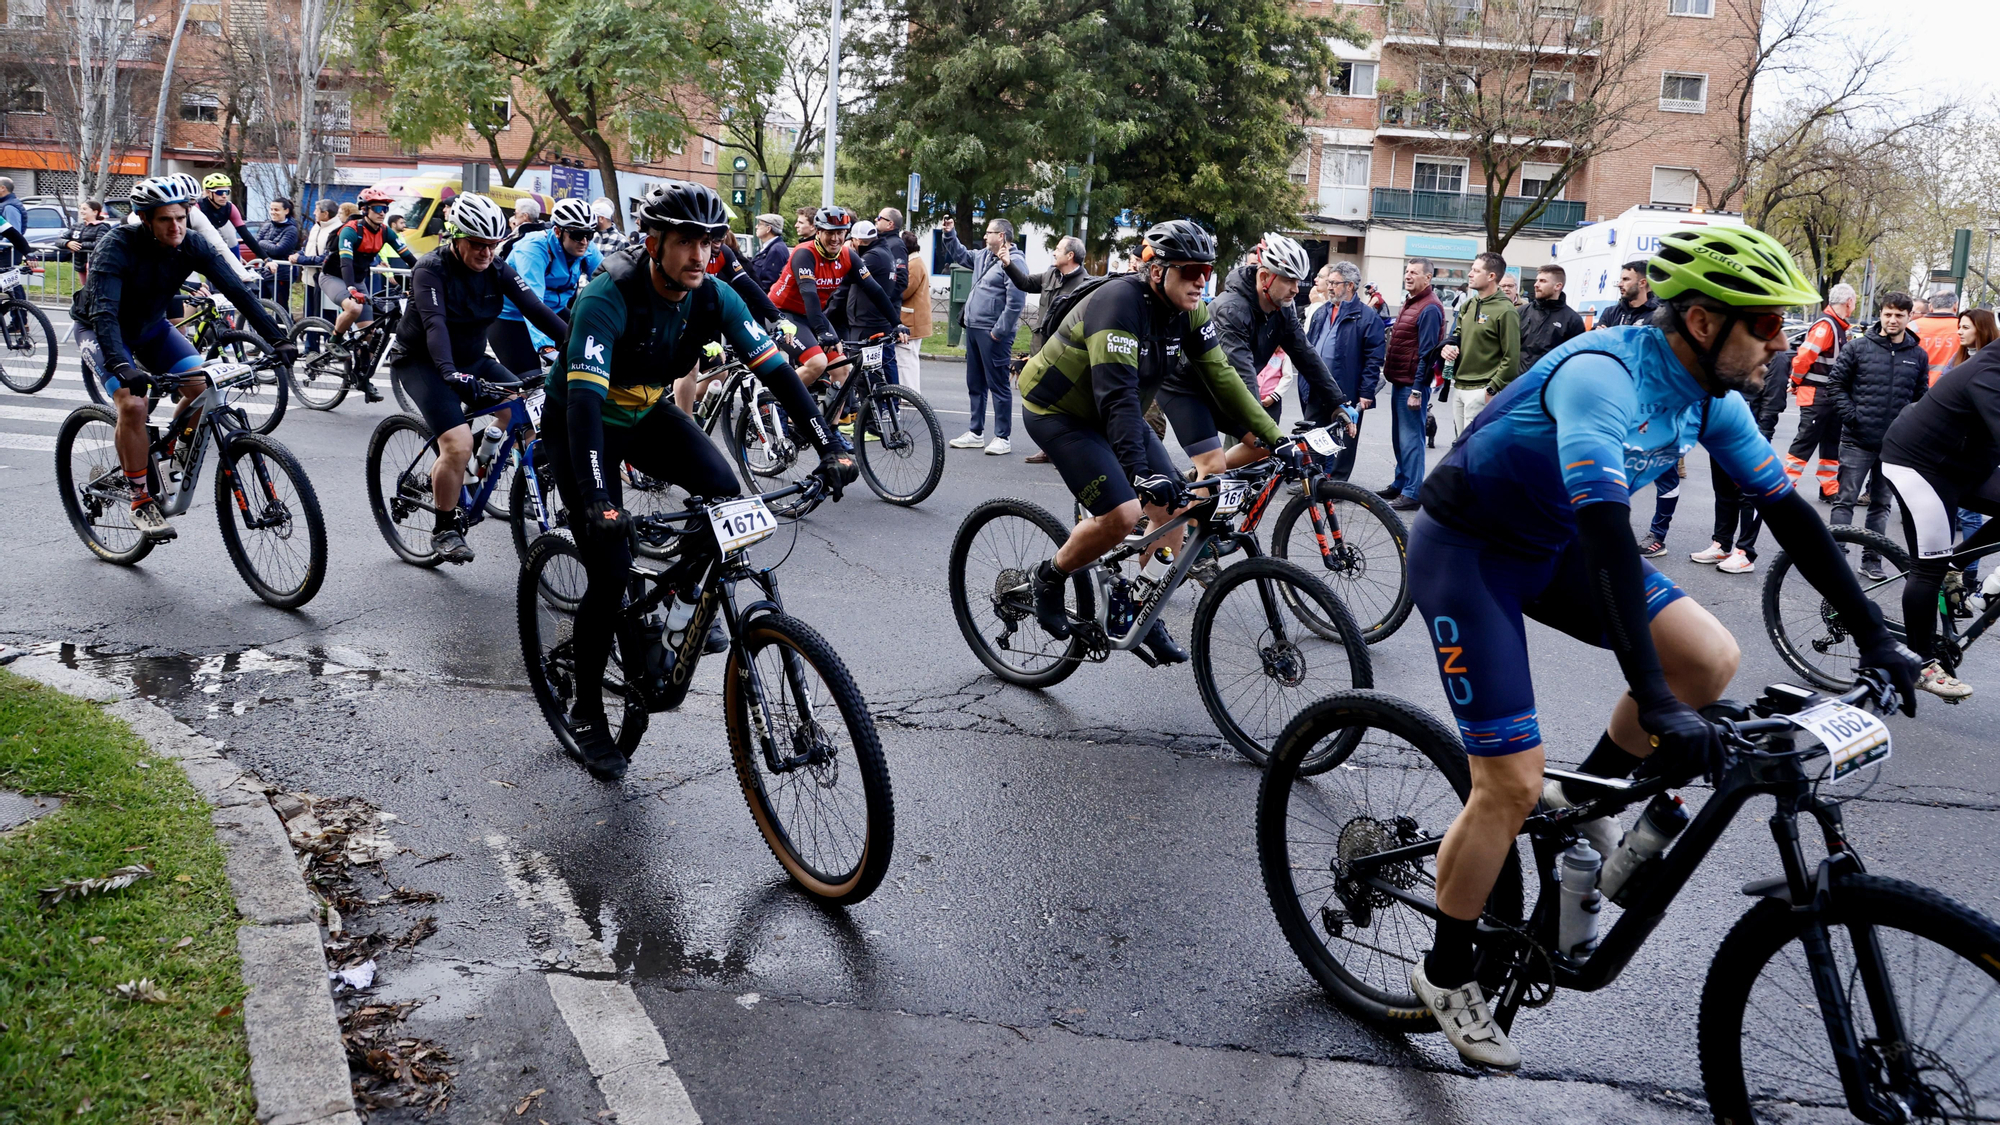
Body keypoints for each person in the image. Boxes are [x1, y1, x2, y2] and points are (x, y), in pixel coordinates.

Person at [1406, 223, 1919, 1070]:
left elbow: (1791, 515)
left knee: (1710, 659)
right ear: (1708, 321)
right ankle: (1447, 966)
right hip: (1470, 554)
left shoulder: (1712, 399)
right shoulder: (1603, 376)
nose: (1781, 343)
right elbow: (1609, 536)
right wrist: (1653, 702)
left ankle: (1592, 806)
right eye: (1765, 324)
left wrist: (1880, 637)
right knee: (1509, 781)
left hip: (1553, 545)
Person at [543, 181, 855, 779]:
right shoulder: (607, 297)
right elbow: (583, 410)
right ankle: (585, 707)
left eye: (708, 242)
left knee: (724, 491)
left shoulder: (714, 295)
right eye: (685, 241)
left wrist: (830, 445)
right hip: (581, 424)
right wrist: (600, 500)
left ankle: (684, 603)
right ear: (654, 242)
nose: (698, 254)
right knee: (609, 567)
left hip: (644, 413)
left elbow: (778, 372)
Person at [1016, 220, 1304, 664]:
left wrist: (1276, 439)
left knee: (1176, 510)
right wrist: (1143, 473)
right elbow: (1116, 400)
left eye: (1206, 270)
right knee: (1122, 514)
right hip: (1060, 412)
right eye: (1189, 270)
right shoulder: (1117, 305)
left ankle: (1137, 605)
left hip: (1113, 412)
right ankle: (1048, 578)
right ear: (1157, 271)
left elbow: (1223, 377)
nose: (1201, 280)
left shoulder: (1191, 311)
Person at [72, 176, 294, 541]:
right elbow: (105, 314)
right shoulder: (117, 246)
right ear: (145, 219)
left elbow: (238, 291)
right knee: (133, 405)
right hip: (101, 331)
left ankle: (172, 450)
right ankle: (140, 497)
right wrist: (123, 365)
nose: (175, 226)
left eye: (181, 217)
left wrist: (277, 339)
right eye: (165, 220)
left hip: (152, 328)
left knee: (203, 386)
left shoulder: (191, 243)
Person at [389, 194, 570, 562]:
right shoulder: (430, 270)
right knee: (456, 443)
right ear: (455, 237)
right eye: (477, 244)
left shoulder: (498, 267)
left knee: (521, 412)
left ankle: (468, 470)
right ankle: (445, 528)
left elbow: (536, 309)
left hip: (472, 359)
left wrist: (578, 345)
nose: (486, 252)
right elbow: (435, 326)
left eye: (493, 245)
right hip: (424, 362)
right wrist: (450, 373)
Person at [1878, 333, 2000, 700]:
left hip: (1960, 465)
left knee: (1943, 563)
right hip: (1917, 466)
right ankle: (1921, 662)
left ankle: (1956, 565)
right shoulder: (1990, 372)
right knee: (1927, 568)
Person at [1174, 233, 1343, 476]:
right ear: (1264, 276)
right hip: (1189, 389)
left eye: (1298, 281)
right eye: (1288, 281)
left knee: (1262, 448)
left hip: (1226, 389)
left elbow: (1304, 353)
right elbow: (1241, 373)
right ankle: (1197, 490)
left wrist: (1338, 401)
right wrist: (1270, 431)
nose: (1296, 289)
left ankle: (1194, 480)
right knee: (1215, 464)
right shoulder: (1231, 309)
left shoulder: (1282, 306)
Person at [1822, 293, 1927, 578]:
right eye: (1888, 314)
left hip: (1895, 446)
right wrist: (1852, 416)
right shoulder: (1858, 348)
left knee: (1881, 506)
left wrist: (1910, 429)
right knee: (1845, 500)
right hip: (1857, 440)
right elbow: (1835, 385)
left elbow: (1921, 397)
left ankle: (1872, 560)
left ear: (1908, 318)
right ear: (1881, 314)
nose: (1892, 320)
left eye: (1899, 315)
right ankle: (1836, 558)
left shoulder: (1917, 354)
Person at [766, 205, 897, 397]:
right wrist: (822, 331)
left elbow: (875, 290)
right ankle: (780, 405)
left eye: (840, 232)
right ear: (818, 232)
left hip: (811, 314)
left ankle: (832, 425)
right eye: (829, 233)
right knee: (817, 362)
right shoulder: (805, 253)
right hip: (782, 314)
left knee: (842, 370)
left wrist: (897, 323)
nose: (835, 238)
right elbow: (809, 293)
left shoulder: (847, 256)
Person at [937, 215, 1027, 455]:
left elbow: (1016, 302)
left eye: (988, 232)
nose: (984, 236)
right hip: (975, 329)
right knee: (975, 383)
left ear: (1002, 236)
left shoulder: (1014, 262)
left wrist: (999, 331)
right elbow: (960, 255)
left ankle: (1002, 437)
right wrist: (949, 233)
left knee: (998, 385)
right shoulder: (984, 256)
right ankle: (976, 432)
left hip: (993, 333)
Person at [1001, 234, 1094, 463]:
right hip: (1041, 350)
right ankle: (1049, 449)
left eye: (1058, 249)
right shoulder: (1050, 274)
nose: (1054, 252)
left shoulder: (1086, 285)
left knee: (1064, 405)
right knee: (1041, 404)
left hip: (1065, 354)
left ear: (1070, 255)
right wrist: (1007, 263)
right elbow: (1024, 283)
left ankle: (1066, 451)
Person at [488, 197, 600, 375]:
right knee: (530, 379)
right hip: (512, 317)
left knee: (584, 362)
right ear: (557, 231)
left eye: (589, 234)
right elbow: (532, 304)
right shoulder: (533, 249)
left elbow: (610, 281)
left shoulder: (585, 246)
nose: (584, 241)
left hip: (553, 310)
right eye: (577, 235)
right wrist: (545, 347)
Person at [1305, 260, 1385, 482]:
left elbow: (1373, 360)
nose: (1329, 287)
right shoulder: (1322, 312)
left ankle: (1337, 482)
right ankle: (1314, 479)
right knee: (1314, 434)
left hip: (1346, 390)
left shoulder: (1367, 317)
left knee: (1345, 439)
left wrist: (1367, 392)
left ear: (1350, 286)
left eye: (1334, 283)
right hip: (1317, 387)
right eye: (1328, 282)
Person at [1377, 258, 1445, 511]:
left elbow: (1428, 353)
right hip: (1401, 380)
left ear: (1428, 278)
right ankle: (1400, 484)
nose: (1408, 275)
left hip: (1412, 384)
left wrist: (1418, 390)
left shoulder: (1429, 308)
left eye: (1414, 272)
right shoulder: (1413, 301)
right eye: (1407, 271)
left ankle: (1412, 492)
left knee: (1411, 440)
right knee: (1400, 438)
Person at [1785, 283, 1856, 502]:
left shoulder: (1837, 326)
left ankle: (1829, 487)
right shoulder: (1827, 326)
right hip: (1817, 394)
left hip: (1828, 394)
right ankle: (1784, 487)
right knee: (1806, 440)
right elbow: (1804, 357)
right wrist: (1795, 381)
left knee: (1831, 442)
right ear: (1849, 302)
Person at [1439, 251, 1519, 436]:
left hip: (1482, 390)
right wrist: (1448, 348)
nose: (1469, 274)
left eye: (1475, 270)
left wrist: (1492, 388)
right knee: (1460, 449)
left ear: (1491, 276)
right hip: (1458, 387)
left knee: (1475, 450)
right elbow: (1457, 336)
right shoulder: (1469, 304)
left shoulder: (1506, 311)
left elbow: (1512, 357)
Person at [1513, 264, 1585, 377]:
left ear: (1558, 286)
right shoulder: (1522, 312)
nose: (1536, 285)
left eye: (1542, 281)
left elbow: (1575, 359)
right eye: (1537, 280)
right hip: (1520, 383)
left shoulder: (1572, 320)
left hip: (1551, 384)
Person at [195, 173, 261, 260]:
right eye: (220, 192)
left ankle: (237, 261)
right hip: (202, 244)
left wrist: (265, 258)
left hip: (225, 242)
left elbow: (245, 235)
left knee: (231, 236)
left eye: (227, 192)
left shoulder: (230, 207)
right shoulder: (197, 208)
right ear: (208, 192)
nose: (224, 196)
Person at [250, 197, 301, 310]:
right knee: (255, 305)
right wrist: (269, 244)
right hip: (264, 272)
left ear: (286, 211)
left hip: (281, 274)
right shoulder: (267, 225)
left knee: (280, 308)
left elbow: (279, 250)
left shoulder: (291, 229)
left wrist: (263, 243)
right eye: (271, 209)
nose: (273, 212)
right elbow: (255, 245)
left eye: (276, 210)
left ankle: (286, 328)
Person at [294, 199, 341, 318]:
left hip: (327, 280)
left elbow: (325, 258)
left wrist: (300, 260)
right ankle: (311, 336)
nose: (314, 213)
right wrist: (298, 254)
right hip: (309, 279)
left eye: (317, 210)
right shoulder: (316, 226)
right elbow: (307, 246)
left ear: (325, 214)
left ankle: (327, 337)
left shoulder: (337, 229)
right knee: (309, 315)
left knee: (327, 316)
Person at [899, 229, 930, 396]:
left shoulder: (914, 265)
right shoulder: (916, 262)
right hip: (914, 318)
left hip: (911, 319)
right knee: (908, 358)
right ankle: (910, 392)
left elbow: (904, 291)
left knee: (906, 359)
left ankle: (909, 393)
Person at [1912, 288, 1962, 386]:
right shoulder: (1964, 328)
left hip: (1918, 386)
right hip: (1952, 387)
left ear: (1930, 306)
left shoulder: (1912, 327)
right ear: (1955, 306)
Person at [62, 200, 116, 284]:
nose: (81, 211)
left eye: (84, 209)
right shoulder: (77, 226)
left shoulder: (102, 227)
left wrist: (78, 246)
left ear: (95, 212)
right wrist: (68, 243)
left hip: (95, 264)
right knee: (85, 289)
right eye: (80, 209)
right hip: (80, 264)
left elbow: (100, 243)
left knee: (92, 288)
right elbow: (60, 239)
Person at [749, 213, 789, 288]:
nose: (756, 226)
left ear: (768, 229)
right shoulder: (772, 247)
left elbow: (770, 282)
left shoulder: (775, 250)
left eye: (760, 224)